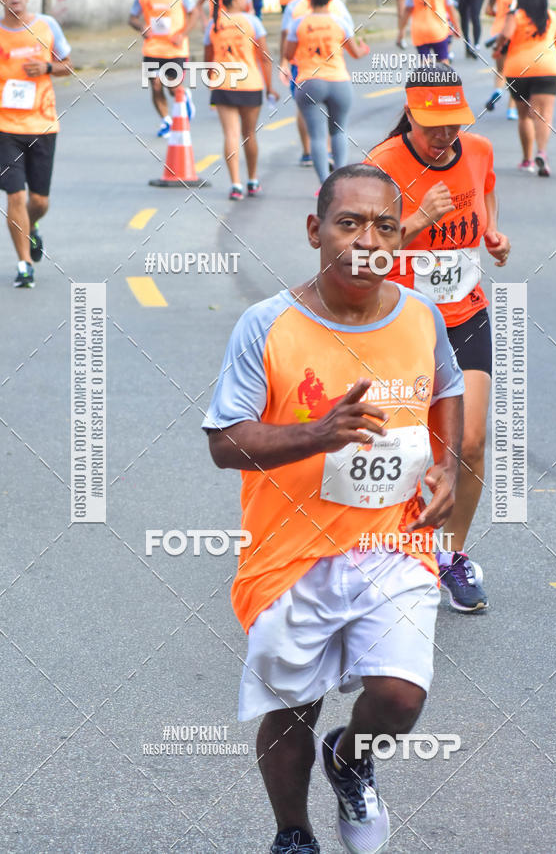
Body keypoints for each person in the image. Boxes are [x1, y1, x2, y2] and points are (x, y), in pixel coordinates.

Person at [203, 163, 464, 854]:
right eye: (349, 223)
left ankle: (350, 760)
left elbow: (447, 388)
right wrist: (318, 434)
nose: (367, 240)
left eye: (384, 225)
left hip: (396, 543)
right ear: (315, 230)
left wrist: (447, 466)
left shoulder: (421, 315)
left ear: (399, 237)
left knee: (401, 696)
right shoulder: (267, 325)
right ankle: (293, 832)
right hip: (290, 556)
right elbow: (225, 441)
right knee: (294, 706)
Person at [367, 66, 511, 612]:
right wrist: (417, 218)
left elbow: (486, 196)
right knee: (397, 446)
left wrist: (492, 234)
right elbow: (360, 251)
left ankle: (450, 555)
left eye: (453, 124)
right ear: (410, 114)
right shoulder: (381, 166)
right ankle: (385, 549)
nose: (445, 135)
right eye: (433, 126)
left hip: (466, 315)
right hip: (402, 323)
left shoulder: (479, 151)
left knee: (469, 443)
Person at [0, 0, 72, 289]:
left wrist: (47, 67)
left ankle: (31, 227)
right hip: (5, 127)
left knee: (39, 202)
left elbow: (68, 64)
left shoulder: (46, 26)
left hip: (43, 124)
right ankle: (24, 265)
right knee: (15, 194)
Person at [285, 0, 369, 185]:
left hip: (310, 81)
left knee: (317, 137)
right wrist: (363, 48)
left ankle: (324, 183)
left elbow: (288, 54)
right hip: (339, 81)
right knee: (339, 131)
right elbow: (356, 53)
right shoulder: (340, 22)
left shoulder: (298, 23)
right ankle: (339, 183)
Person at [204, 0, 278, 200]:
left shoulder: (214, 23)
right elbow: (264, 58)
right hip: (249, 84)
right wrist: (270, 87)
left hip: (223, 84)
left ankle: (235, 184)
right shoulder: (253, 22)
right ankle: (252, 180)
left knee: (231, 134)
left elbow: (208, 59)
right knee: (249, 134)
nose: (248, 0)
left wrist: (211, 80)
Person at [280, 0, 352, 166]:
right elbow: (350, 37)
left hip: (305, 70)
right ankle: (327, 157)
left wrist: (285, 61)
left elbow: (286, 37)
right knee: (336, 126)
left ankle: (308, 153)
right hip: (334, 71)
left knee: (306, 110)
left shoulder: (295, 7)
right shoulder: (337, 5)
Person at [496, 0, 556, 176]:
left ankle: (527, 160)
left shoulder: (515, 15)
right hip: (548, 68)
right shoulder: (551, 16)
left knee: (524, 116)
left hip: (519, 70)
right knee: (544, 114)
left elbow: (505, 36)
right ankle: (542, 153)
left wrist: (498, 47)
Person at [129, 0, 196, 138]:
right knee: (156, 85)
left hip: (175, 48)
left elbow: (193, 13)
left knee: (173, 88)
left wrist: (182, 34)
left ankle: (184, 96)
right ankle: (166, 120)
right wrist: (141, 27)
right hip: (152, 48)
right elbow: (132, 17)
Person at [485, 0, 522, 118]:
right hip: (513, 31)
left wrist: (498, 15)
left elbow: (488, 10)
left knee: (501, 70)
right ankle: (511, 110)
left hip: (497, 31)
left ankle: (497, 91)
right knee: (515, 72)